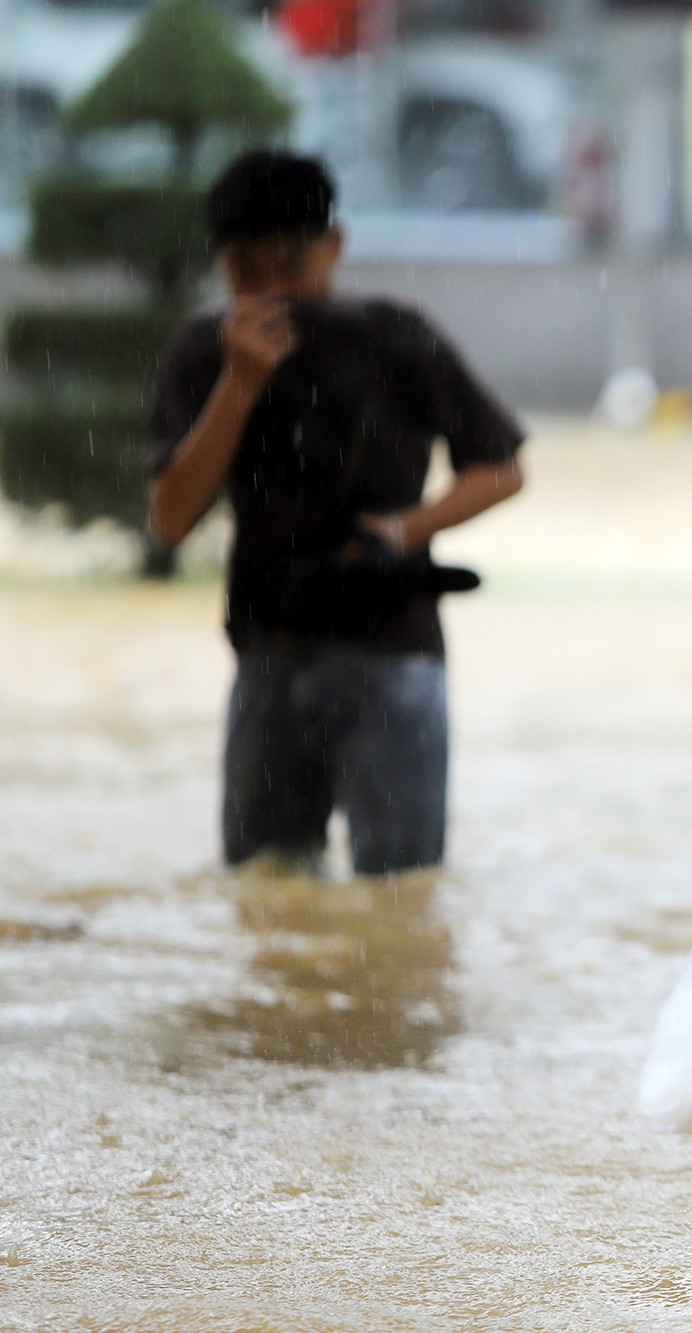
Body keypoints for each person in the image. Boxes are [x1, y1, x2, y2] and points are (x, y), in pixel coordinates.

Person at [148, 150, 526, 877]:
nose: (270, 290)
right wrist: (240, 383)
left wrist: (405, 530)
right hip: (267, 650)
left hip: (393, 652)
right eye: (246, 271)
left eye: (289, 265)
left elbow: (502, 468)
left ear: (335, 246)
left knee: (402, 889)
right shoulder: (204, 351)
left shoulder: (394, 337)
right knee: (266, 885)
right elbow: (170, 517)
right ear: (222, 265)